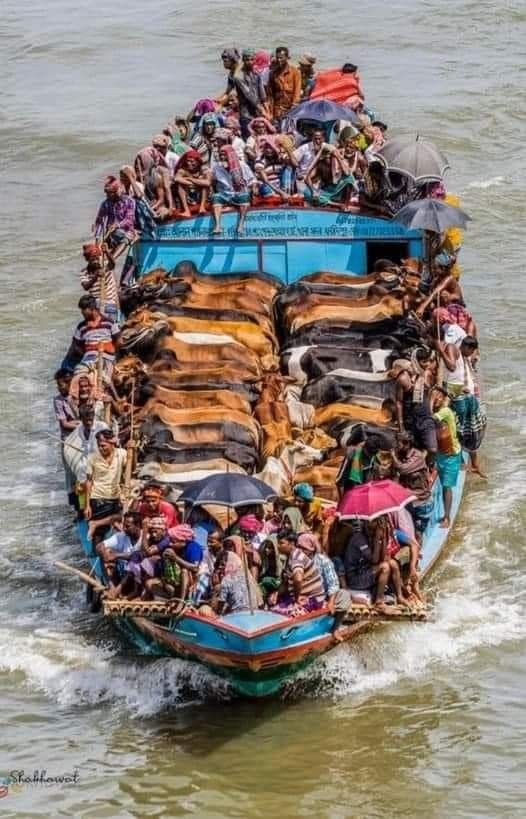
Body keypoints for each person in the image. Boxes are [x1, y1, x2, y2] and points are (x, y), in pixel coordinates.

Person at [435, 331, 486, 477]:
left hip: (467, 396)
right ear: (466, 347)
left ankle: (474, 464)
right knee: (459, 430)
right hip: (458, 396)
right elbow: (451, 367)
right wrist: (440, 350)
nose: (471, 354)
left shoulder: (465, 356)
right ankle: (461, 461)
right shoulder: (453, 349)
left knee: (473, 428)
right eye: (471, 351)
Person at [297, 533, 352, 640]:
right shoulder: (297, 560)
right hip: (305, 595)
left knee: (345, 596)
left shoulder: (324, 561)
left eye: (303, 548)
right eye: (298, 547)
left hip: (324, 596)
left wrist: (331, 602)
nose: (300, 551)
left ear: (311, 549)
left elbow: (333, 583)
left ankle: (335, 628)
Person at [85, 429, 127, 541]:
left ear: (112, 443)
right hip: (98, 498)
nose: (100, 448)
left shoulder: (122, 453)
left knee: (122, 518)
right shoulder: (92, 457)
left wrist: (134, 450)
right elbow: (88, 481)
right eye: (99, 446)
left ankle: (95, 523)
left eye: (103, 446)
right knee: (99, 534)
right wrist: (87, 505)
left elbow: (130, 468)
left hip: (115, 496)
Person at [271, 530, 325, 615]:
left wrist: (296, 600)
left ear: (291, 544)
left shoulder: (297, 558)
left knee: (286, 615)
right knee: (274, 608)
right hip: (302, 596)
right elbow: (286, 582)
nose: (278, 546)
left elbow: (298, 579)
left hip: (313, 599)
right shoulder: (289, 557)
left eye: (281, 543)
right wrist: (276, 594)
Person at [431, 386, 462, 528]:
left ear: (443, 399)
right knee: (444, 484)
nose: (435, 399)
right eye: (433, 397)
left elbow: (431, 419)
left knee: (446, 486)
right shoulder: (441, 411)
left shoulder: (445, 411)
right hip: (442, 453)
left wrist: (430, 401)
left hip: (451, 455)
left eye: (437, 397)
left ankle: (447, 518)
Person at [393, 432, 433, 536]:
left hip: (421, 502)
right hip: (409, 501)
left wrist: (393, 457)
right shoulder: (402, 456)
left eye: (398, 443)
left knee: (419, 534)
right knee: (411, 532)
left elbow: (403, 469)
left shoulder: (417, 456)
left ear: (407, 444)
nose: (396, 446)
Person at [211, 145, 257, 235]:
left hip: (239, 192)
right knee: (216, 197)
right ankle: (217, 226)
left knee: (245, 196)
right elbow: (213, 182)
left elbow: (253, 180)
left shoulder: (242, 165)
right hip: (225, 194)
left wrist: (254, 188)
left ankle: (241, 225)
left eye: (224, 155)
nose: (222, 157)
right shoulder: (217, 167)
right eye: (221, 155)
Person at [70, 295, 120, 376]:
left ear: (92, 309)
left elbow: (118, 340)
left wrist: (113, 354)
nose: (82, 312)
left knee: (107, 376)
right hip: (88, 360)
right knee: (78, 374)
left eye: (84, 309)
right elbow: (75, 345)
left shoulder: (109, 322)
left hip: (107, 357)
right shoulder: (81, 327)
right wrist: (86, 353)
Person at [97, 511, 143, 595]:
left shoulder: (145, 537)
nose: (124, 529)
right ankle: (112, 586)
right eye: (124, 525)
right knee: (107, 551)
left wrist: (116, 555)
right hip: (123, 574)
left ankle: (116, 592)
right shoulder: (122, 535)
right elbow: (100, 546)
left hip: (138, 577)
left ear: (138, 526)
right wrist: (106, 555)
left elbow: (136, 555)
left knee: (133, 564)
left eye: (127, 526)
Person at [225, 48, 268, 139]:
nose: (250, 62)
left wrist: (266, 108)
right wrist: (262, 110)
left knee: (260, 138)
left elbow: (262, 92)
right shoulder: (239, 76)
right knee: (248, 138)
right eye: (247, 60)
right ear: (243, 60)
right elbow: (249, 95)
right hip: (246, 114)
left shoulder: (256, 73)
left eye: (252, 59)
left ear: (255, 60)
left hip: (258, 112)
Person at [93, 176, 136, 265]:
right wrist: (97, 239)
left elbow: (129, 220)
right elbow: (99, 222)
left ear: (116, 192)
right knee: (100, 251)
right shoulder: (106, 203)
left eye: (109, 193)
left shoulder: (129, 201)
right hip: (111, 234)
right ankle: (102, 262)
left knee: (127, 238)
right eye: (106, 193)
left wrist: (117, 225)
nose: (107, 196)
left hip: (127, 231)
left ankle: (112, 260)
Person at [80, 243, 119, 323]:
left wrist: (106, 252)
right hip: (96, 306)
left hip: (110, 303)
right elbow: (86, 286)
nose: (95, 261)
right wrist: (96, 276)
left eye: (97, 258)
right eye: (92, 259)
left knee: (111, 322)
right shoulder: (84, 272)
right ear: (87, 260)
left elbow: (112, 264)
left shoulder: (104, 265)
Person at [173, 149, 212, 217]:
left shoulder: (204, 169)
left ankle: (202, 207)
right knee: (180, 186)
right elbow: (177, 178)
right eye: (188, 161)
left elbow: (208, 183)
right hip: (189, 196)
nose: (189, 163)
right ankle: (186, 210)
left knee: (203, 183)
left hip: (203, 196)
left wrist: (190, 179)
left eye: (192, 161)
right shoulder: (183, 170)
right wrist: (193, 184)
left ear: (198, 162)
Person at [267, 47, 302, 122]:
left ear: (287, 58)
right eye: (277, 58)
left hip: (290, 109)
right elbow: (270, 95)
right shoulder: (273, 73)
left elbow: (297, 92)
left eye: (281, 58)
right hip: (277, 110)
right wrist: (270, 112)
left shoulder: (295, 72)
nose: (279, 60)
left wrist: (293, 107)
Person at [254, 137, 292, 201]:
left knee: (289, 169)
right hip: (267, 186)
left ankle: (286, 193)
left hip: (279, 184)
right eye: (266, 148)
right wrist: (281, 193)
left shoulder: (279, 157)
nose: (268, 150)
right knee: (265, 188)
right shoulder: (260, 160)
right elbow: (266, 180)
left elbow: (295, 164)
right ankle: (279, 195)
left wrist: (287, 149)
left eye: (271, 148)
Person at [292, 127, 326, 194]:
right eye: (315, 139)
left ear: (323, 139)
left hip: (319, 181)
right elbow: (293, 158)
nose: (317, 141)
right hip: (303, 180)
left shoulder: (326, 148)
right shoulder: (304, 148)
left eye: (319, 139)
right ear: (312, 138)